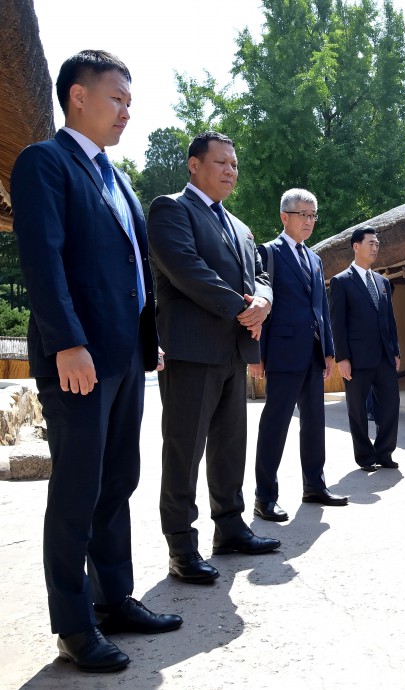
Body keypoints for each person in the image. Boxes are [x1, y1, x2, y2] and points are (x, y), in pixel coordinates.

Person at [11, 49, 181, 673]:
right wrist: (66, 342)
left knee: (117, 482)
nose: (126, 112)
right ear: (77, 96)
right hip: (77, 357)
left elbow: (134, 268)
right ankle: (74, 624)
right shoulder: (44, 164)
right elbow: (44, 262)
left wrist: (146, 339)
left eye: (130, 102)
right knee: (77, 490)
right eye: (117, 99)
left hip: (124, 358)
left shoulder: (117, 177)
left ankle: (115, 600)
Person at [148, 131, 279, 585]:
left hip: (233, 351)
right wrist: (242, 308)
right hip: (190, 351)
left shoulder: (241, 227)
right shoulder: (171, 210)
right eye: (221, 162)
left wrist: (263, 301)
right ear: (194, 164)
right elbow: (186, 269)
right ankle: (182, 547)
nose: (230, 171)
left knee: (229, 446)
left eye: (234, 165)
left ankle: (230, 528)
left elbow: (261, 273)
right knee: (184, 451)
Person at [249, 189, 348, 522]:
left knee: (315, 423)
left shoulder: (315, 259)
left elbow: (321, 308)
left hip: (313, 354)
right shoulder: (269, 253)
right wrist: (257, 355)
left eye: (312, 215)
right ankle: (265, 496)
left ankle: (314, 485)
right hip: (282, 351)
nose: (308, 221)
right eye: (302, 214)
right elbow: (261, 306)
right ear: (284, 217)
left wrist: (329, 351)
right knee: (275, 424)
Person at [329, 227, 401, 471]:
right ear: (356, 246)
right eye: (370, 243)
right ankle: (365, 456)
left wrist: (396, 351)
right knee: (358, 410)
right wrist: (343, 358)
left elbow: (390, 320)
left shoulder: (382, 282)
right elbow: (337, 323)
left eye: (377, 243)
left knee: (391, 405)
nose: (375, 247)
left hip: (384, 356)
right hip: (357, 358)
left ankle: (385, 452)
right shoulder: (341, 281)